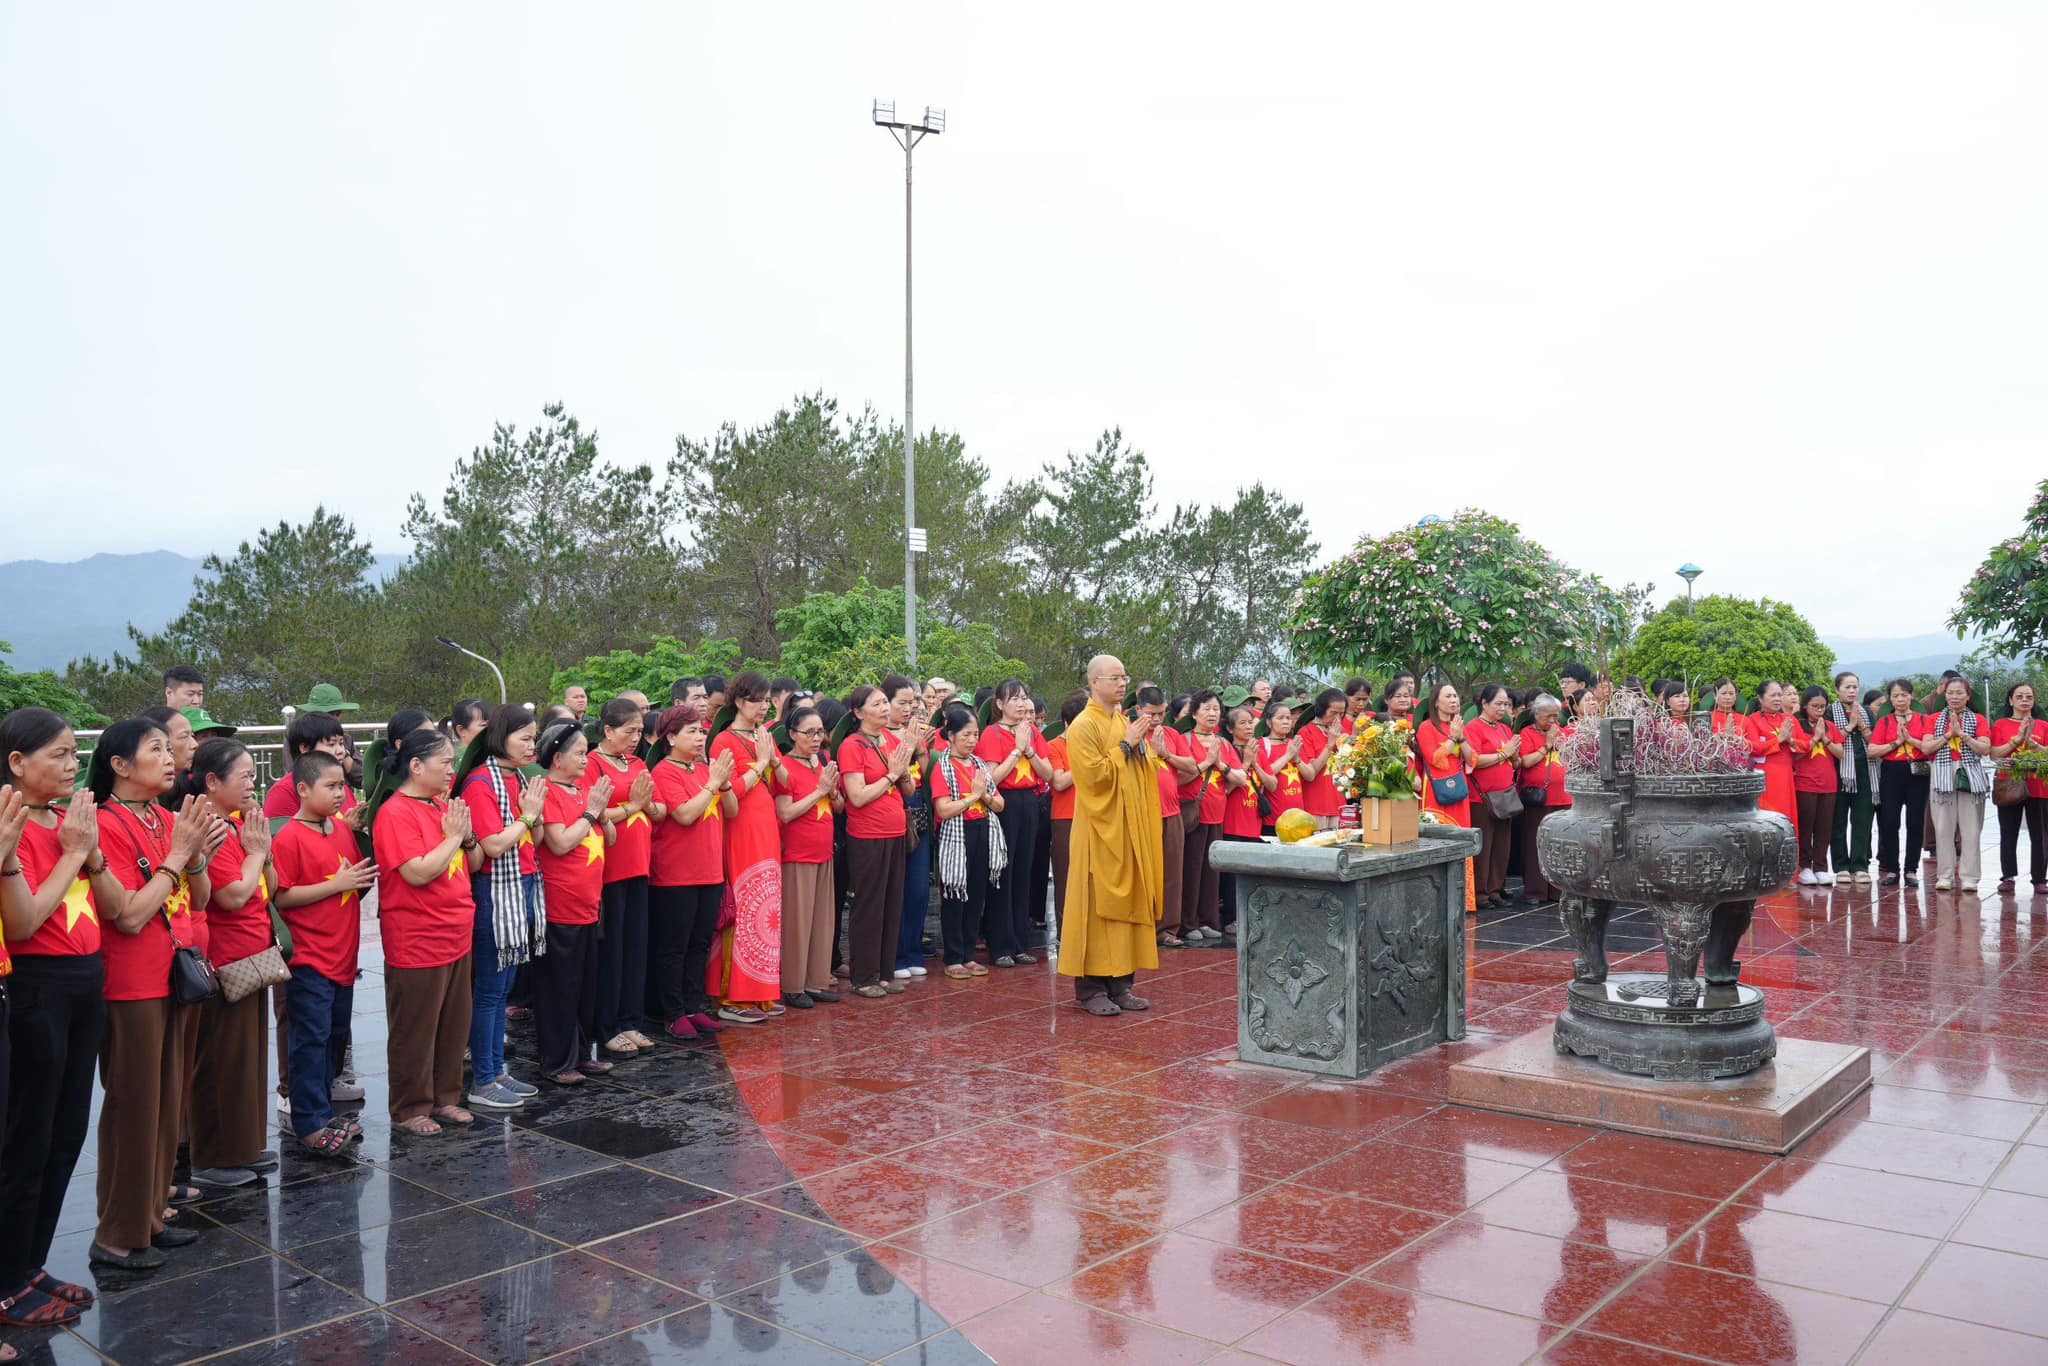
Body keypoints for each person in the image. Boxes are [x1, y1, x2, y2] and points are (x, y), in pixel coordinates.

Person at [88, 717, 223, 1272]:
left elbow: (201, 897)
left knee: (167, 1103)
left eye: (171, 748)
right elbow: (128, 914)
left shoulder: (166, 818)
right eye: (156, 749)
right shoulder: (105, 823)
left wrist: (194, 855)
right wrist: (177, 857)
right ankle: (116, 1234)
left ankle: (149, 1217)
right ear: (120, 765)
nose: (171, 758)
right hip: (132, 982)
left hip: (176, 973)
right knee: (134, 1106)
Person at [0, 709, 120, 1321]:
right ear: (18, 763)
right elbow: (22, 922)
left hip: (84, 980)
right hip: (36, 986)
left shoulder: (65, 819)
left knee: (68, 1131)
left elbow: (106, 901)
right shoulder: (10, 822)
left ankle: (31, 1262)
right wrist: (76, 853)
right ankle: (6, 1279)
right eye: (60, 754)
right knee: (30, 1134)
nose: (74, 764)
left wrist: (87, 852)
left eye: (76, 753)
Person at [177, 740, 274, 1188]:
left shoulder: (236, 824)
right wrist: (256, 853)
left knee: (246, 1060)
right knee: (220, 1061)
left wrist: (260, 851)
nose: (253, 783)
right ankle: (213, 1158)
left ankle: (243, 1145)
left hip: (252, 955)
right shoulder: (210, 829)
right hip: (224, 959)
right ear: (212, 782)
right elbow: (232, 895)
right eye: (245, 776)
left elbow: (270, 884)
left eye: (254, 775)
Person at [372, 728, 479, 1133]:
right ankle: (410, 1107)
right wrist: (454, 838)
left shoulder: (439, 805)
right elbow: (417, 872)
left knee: (453, 1025)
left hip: (456, 931)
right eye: (445, 762)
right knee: (415, 1028)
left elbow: (472, 863)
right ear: (416, 766)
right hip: (417, 937)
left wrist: (466, 838)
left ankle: (446, 1097)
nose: (452, 770)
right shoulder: (395, 812)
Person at [270, 753, 373, 1158]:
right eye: (330, 786)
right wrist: (338, 884)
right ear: (302, 789)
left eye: (342, 786)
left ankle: (325, 1110)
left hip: (343, 953)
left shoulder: (340, 828)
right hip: (309, 957)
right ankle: (309, 1123)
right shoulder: (289, 837)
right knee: (309, 1039)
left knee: (334, 1036)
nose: (339, 793)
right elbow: (282, 896)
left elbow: (354, 879)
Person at [1058, 656, 1163, 1015]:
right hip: (1098, 830)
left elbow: (1139, 770)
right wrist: (1126, 746)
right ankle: (1091, 989)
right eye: (1114, 678)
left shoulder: (1121, 720)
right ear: (1094, 682)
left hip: (1126, 827)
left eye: (1124, 677)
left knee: (1126, 905)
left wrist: (1145, 748)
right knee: (1095, 908)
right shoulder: (1084, 725)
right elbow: (1092, 779)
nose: (1122, 684)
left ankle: (1121, 984)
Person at [456, 706, 549, 1110]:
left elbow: (534, 839)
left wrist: (534, 817)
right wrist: (528, 816)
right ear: (500, 738)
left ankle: (497, 1071)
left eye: (534, 738)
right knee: (490, 991)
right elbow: (492, 844)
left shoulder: (520, 777)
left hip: (523, 883)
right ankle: (484, 1079)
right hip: (496, 890)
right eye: (524, 738)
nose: (532, 746)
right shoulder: (480, 782)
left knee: (505, 986)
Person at [648, 703, 735, 1039]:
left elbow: (732, 810)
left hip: (710, 871)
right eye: (692, 732)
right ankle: (672, 1012)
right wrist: (712, 783)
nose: (700, 738)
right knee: (674, 947)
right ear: (671, 737)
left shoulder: (703, 770)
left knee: (699, 943)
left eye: (701, 731)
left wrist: (722, 784)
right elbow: (684, 815)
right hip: (677, 874)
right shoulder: (664, 772)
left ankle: (694, 1005)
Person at [531, 720, 611, 1084]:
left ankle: (581, 1054)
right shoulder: (547, 792)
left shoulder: (583, 791)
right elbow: (560, 842)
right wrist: (592, 813)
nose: (585, 759)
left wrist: (602, 813)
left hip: (588, 905)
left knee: (585, 987)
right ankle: (557, 1060)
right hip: (560, 907)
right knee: (559, 988)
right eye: (579, 753)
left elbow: (608, 837)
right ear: (557, 758)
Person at [708, 672, 786, 1021]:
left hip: (766, 829)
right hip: (740, 830)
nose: (763, 706)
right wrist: (761, 764)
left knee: (767, 912)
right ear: (739, 701)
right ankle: (734, 996)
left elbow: (787, 784)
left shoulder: (763, 735)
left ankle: (761, 993)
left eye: (767, 700)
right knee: (744, 907)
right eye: (757, 700)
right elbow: (730, 791)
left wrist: (774, 759)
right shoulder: (723, 741)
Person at [584, 698, 656, 1056]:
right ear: (608, 730)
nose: (636, 737)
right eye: (629, 731)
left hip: (639, 864)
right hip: (610, 869)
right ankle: (608, 1025)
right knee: (612, 950)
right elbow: (593, 812)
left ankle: (631, 1020)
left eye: (640, 731)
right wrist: (633, 807)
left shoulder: (638, 762)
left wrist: (646, 805)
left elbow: (654, 805)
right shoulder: (592, 764)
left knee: (635, 948)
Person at [839, 683, 917, 998]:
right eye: (877, 704)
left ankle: (884, 973)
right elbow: (857, 796)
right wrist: (891, 775)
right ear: (858, 713)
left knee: (892, 904)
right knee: (869, 906)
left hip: (896, 832)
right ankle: (863, 977)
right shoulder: (852, 746)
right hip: (867, 835)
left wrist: (903, 771)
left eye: (886, 702)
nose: (885, 708)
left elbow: (909, 791)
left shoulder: (893, 741)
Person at [973, 679, 1050, 967]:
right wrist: (1016, 750)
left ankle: (1020, 943)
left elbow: (1048, 773)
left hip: (1030, 803)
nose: (1020, 703)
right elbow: (991, 777)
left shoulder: (1032, 732)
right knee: (1002, 873)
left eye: (1023, 697)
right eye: (1014, 698)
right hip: (1003, 804)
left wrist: (1029, 750)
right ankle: (1001, 945)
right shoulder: (991, 734)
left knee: (1023, 873)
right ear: (1000, 704)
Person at [930, 703, 1005, 978]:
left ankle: (969, 955)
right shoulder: (942, 766)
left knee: (976, 894)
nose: (972, 741)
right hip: (956, 835)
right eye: (966, 735)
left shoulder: (979, 765)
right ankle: (953, 957)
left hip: (982, 831)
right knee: (955, 894)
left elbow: (999, 804)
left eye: (975, 735)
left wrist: (984, 796)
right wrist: (974, 797)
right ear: (951, 736)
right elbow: (943, 809)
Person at [773, 705, 842, 1007]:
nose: (816, 739)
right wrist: (820, 791)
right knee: (798, 923)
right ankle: (792, 985)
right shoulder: (785, 767)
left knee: (822, 921)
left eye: (820, 732)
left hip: (823, 851)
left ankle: (816, 981)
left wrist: (833, 791)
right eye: (809, 733)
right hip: (797, 854)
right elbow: (785, 813)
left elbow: (838, 807)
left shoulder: (821, 761)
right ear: (792, 734)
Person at [1134, 686, 1194, 949]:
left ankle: (1168, 928)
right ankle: (1142, 926)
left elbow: (1192, 767)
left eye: (1161, 713)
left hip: (1171, 813)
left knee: (1172, 874)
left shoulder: (1171, 734)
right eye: (1151, 714)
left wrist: (1166, 754)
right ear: (1138, 710)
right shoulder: (1130, 734)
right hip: (1141, 815)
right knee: (1143, 874)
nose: (1157, 719)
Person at [1918, 677, 1991, 895]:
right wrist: (1949, 735)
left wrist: (1963, 735)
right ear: (1944, 695)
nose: (1954, 697)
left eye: (1960, 693)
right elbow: (1926, 748)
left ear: (1968, 696)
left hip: (1970, 774)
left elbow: (1985, 748)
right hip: (1942, 773)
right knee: (1943, 828)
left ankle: (1970, 877)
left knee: (1971, 829)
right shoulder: (1933, 719)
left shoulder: (1978, 719)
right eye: (1950, 692)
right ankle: (1945, 876)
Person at [890, 676, 937, 979]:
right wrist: (909, 745)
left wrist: (921, 748)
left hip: (918, 804)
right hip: (893, 802)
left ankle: (912, 951)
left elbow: (926, 773)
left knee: (919, 888)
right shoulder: (878, 735)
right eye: (903, 702)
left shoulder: (916, 732)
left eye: (913, 703)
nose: (909, 708)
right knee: (897, 886)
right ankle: (894, 956)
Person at [1179, 691, 1231, 941]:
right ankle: (1188, 923)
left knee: (1211, 872)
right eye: (1207, 708)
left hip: (1217, 814)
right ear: (1194, 713)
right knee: (1191, 869)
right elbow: (1179, 777)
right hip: (1194, 816)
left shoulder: (1224, 743)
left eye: (1216, 709)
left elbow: (1239, 777)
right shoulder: (1185, 740)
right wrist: (1207, 762)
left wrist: (1220, 765)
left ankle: (1208, 920)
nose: (1212, 713)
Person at [1465, 684, 1522, 909]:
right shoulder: (1473, 728)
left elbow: (1514, 763)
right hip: (1482, 798)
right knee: (1484, 846)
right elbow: (1475, 760)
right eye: (1498, 703)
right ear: (1484, 703)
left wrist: (1514, 755)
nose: (1503, 708)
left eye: (1506, 704)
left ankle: (1495, 889)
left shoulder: (1505, 729)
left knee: (1501, 847)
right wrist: (1504, 754)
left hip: (1504, 796)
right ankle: (1481, 893)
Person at [1871, 680, 1929, 888]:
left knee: (1915, 822)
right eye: (1896, 696)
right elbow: (1872, 750)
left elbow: (1929, 748)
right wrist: (1896, 742)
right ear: (1890, 699)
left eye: (1904, 695)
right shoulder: (1885, 721)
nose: (1900, 699)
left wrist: (1910, 740)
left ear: (1912, 696)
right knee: (1889, 822)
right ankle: (1892, 869)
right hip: (1891, 772)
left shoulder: (1923, 720)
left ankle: (1911, 869)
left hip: (1917, 772)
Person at [1991, 682, 2048, 895]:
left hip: (2038, 786)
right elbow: (1994, 754)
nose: (2024, 700)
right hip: (2009, 784)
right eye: (2019, 696)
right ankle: (2008, 876)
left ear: (2034, 701)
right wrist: (2017, 741)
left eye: (2029, 697)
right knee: (2008, 832)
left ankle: (2039, 878)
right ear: (2010, 700)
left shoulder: (2043, 726)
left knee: (2040, 834)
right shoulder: (2000, 725)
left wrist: (2034, 745)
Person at [1517, 694, 1570, 905]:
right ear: (1536, 714)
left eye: (1556, 716)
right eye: (1549, 716)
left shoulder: (1561, 731)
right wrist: (1547, 745)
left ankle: (1557, 890)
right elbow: (1526, 762)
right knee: (1535, 844)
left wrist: (1559, 741)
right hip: (1539, 798)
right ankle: (1535, 891)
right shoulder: (1527, 733)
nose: (1553, 720)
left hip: (1563, 797)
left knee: (1560, 845)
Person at [1789, 687, 1846, 885]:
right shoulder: (1797, 725)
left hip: (1829, 784)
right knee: (1806, 827)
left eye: (1823, 706)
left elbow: (1840, 753)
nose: (1819, 710)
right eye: (1815, 706)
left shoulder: (1830, 726)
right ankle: (1804, 867)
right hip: (1805, 783)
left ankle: (1821, 867)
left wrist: (1825, 737)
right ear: (1805, 706)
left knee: (1824, 828)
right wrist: (1814, 739)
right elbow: (1796, 754)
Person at [1216, 704, 1262, 938]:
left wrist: (1255, 762)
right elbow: (1227, 787)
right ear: (1230, 728)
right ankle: (1230, 919)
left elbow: (1271, 783)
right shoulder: (1227, 750)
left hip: (1254, 820)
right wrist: (1245, 764)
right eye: (1242, 723)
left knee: (1252, 872)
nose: (1248, 727)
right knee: (1232, 875)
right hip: (1233, 820)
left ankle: (1250, 916)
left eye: (1250, 722)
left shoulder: (1256, 748)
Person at [264, 712, 359, 819]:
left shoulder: (341, 786)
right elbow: (287, 830)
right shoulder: (284, 792)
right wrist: (346, 827)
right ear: (305, 748)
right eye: (332, 744)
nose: (341, 751)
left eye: (341, 743)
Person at [1829, 672, 1877, 885]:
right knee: (1837, 820)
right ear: (1837, 689)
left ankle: (1860, 865)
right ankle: (1841, 865)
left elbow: (1875, 741)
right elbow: (1829, 739)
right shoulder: (1829, 711)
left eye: (1855, 687)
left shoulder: (1867, 711)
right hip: (1838, 771)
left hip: (1865, 771)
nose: (1851, 691)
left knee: (1862, 820)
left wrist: (1862, 726)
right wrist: (1850, 726)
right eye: (1847, 687)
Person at [1045, 691, 1084, 927]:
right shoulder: (1054, 746)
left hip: (1092, 815)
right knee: (1066, 876)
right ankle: (1067, 930)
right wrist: (1085, 763)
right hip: (1065, 818)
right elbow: (1058, 782)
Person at [1742, 683, 1799, 836]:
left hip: (1786, 775)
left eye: (1780, 695)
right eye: (1773, 695)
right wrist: (1778, 740)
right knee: (1768, 820)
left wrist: (1791, 741)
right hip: (1765, 776)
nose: (1777, 698)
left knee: (1787, 817)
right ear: (1760, 698)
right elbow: (1754, 747)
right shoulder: (1752, 720)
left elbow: (1805, 745)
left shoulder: (1789, 719)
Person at [1255, 696, 1309, 833]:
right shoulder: (1262, 744)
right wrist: (1288, 756)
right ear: (1269, 722)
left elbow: (1310, 775)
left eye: (1288, 718)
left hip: (1298, 818)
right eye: (1280, 718)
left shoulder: (1294, 743)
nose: (1285, 721)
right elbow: (1265, 774)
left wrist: (1297, 758)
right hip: (1274, 819)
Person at [299, 684, 364, 788]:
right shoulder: (299, 740)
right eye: (328, 714)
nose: (334, 719)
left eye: (337, 714)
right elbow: (296, 777)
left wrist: (345, 756)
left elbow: (362, 780)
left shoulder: (345, 739)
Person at [1299, 689, 1345, 830]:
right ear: (1321, 709)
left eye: (1341, 714)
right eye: (1333, 713)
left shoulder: (1339, 732)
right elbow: (1312, 771)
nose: (1337, 718)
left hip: (1338, 801)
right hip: (1316, 803)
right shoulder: (1306, 732)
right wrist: (1330, 744)